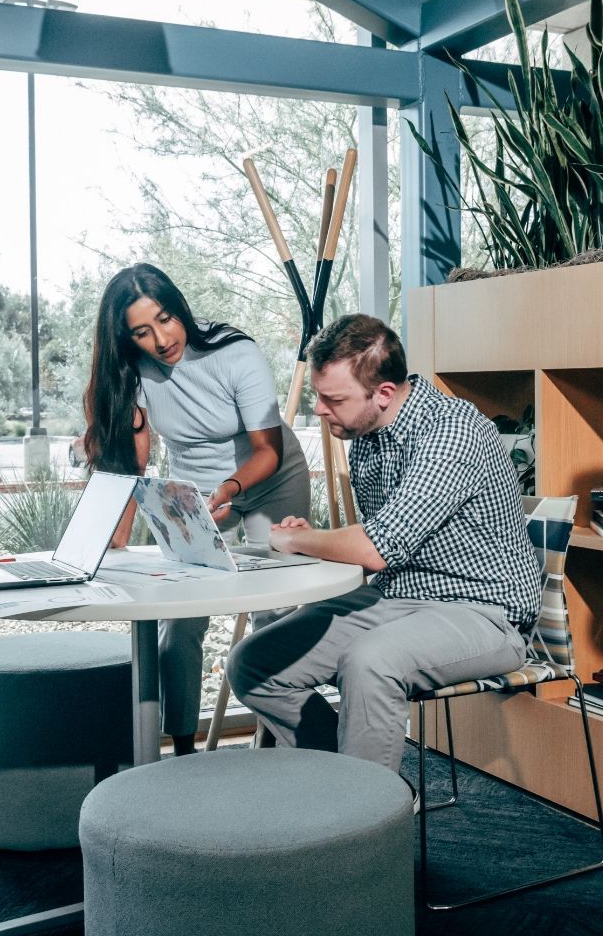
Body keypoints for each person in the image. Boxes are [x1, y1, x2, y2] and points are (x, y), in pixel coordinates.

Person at [226, 313, 541, 778]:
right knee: (254, 664)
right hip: (396, 597)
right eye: (317, 395)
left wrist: (298, 539)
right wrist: (312, 539)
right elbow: (378, 541)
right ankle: (356, 790)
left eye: (333, 398)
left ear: (384, 394)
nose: (320, 409)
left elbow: (376, 547)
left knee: (370, 662)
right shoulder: (367, 436)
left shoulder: (451, 432)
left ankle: (364, 823)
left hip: (483, 612)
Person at [83, 263, 311, 755]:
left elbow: (268, 450)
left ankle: (272, 748)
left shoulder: (235, 352)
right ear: (127, 338)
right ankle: (181, 752)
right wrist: (113, 536)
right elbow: (130, 465)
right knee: (179, 622)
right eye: (142, 331)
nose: (161, 338)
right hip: (199, 491)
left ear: (179, 307)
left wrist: (229, 487)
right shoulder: (134, 373)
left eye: (165, 319)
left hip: (271, 478)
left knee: (271, 614)